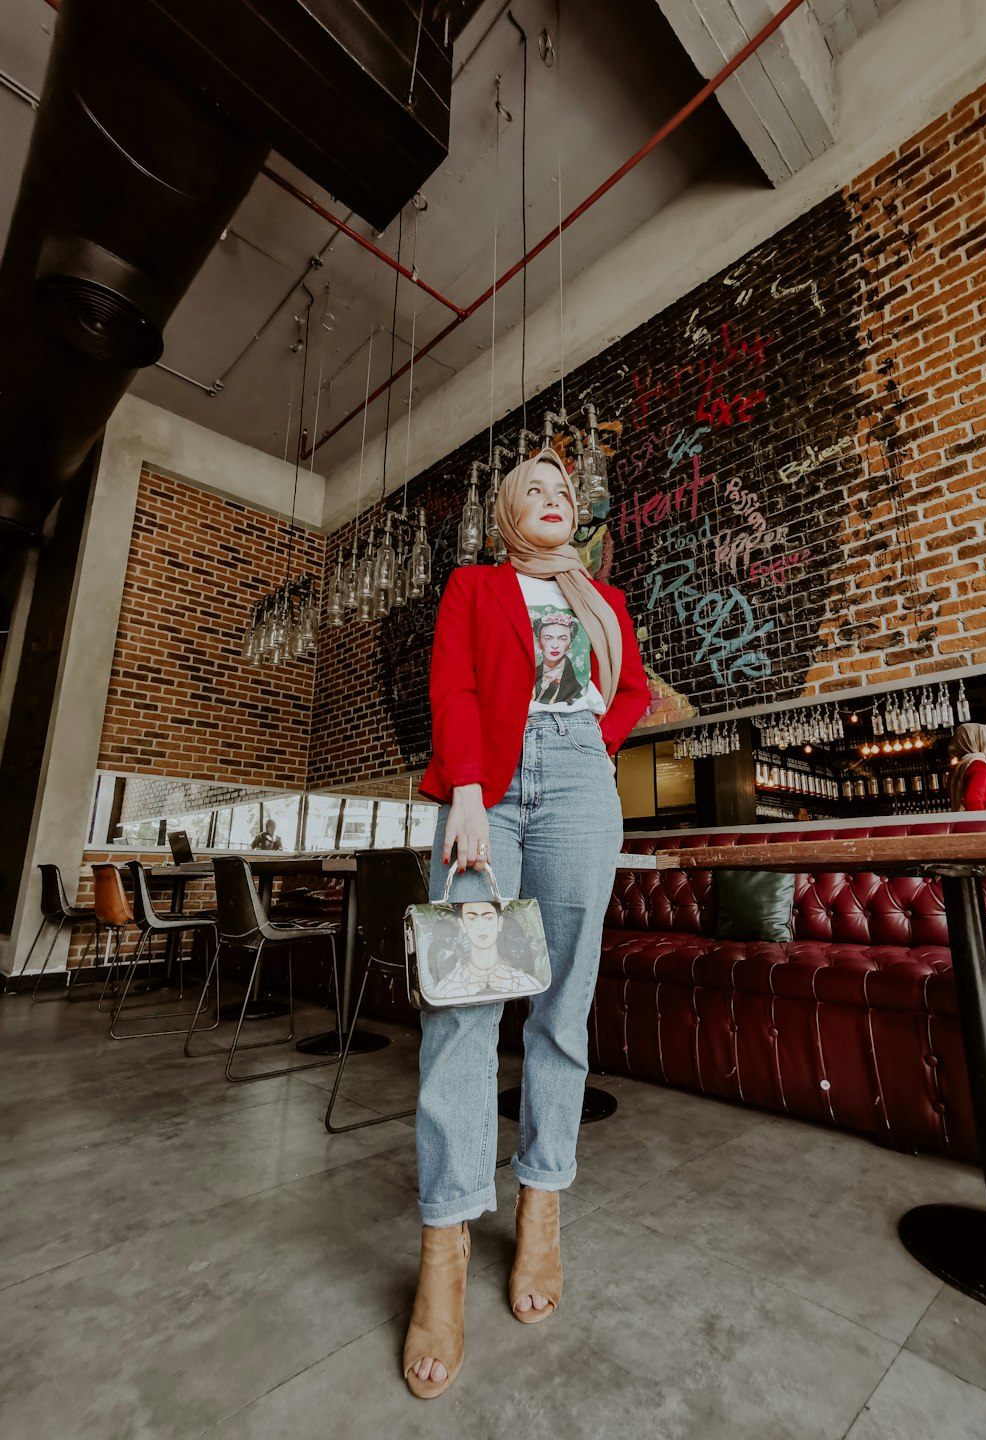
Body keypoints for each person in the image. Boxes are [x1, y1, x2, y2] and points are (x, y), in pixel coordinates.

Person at [404, 446, 651, 1399]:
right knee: (464, 1003)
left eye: (563, 494)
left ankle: (541, 1209)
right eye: (533, 493)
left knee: (561, 1004)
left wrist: (592, 743)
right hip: (489, 793)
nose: (553, 503)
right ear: (509, 516)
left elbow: (628, 693)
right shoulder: (474, 586)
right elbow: (454, 684)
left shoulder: (606, 605)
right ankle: (447, 1243)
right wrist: (468, 787)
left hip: (582, 783)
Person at [431, 900, 538, 999]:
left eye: (488, 918)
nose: (481, 926)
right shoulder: (446, 988)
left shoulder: (526, 982)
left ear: (499, 923)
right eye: (472, 919)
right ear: (462, 925)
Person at [948, 722, 986, 810]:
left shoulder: (957, 768)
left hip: (962, 820)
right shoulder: (979, 766)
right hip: (983, 821)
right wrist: (982, 822)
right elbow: (973, 800)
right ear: (976, 740)